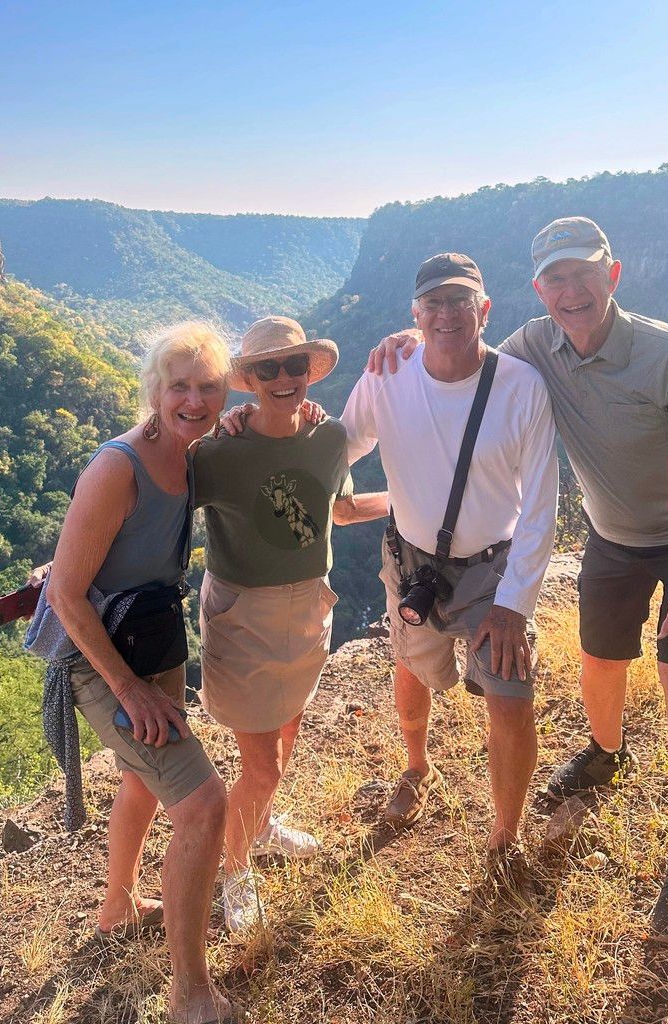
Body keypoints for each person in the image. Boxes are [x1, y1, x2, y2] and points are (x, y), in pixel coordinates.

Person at [371, 218, 668, 945]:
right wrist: (406, 342)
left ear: (612, 275)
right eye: (554, 278)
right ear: (538, 289)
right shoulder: (533, 348)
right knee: (600, 660)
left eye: (583, 274)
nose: (569, 290)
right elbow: (460, 349)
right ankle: (604, 755)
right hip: (612, 537)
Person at [341, 253, 559, 888]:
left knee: (512, 696)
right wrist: (268, 426)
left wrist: (515, 604)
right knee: (411, 662)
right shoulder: (389, 374)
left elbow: (542, 506)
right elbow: (340, 444)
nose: (446, 315)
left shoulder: (522, 388)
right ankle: (417, 767)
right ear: (415, 315)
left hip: (495, 568)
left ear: (484, 311)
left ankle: (505, 836)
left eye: (460, 302)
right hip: (412, 562)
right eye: (432, 304)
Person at [45, 322, 238, 1024]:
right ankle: (190, 992)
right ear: (153, 390)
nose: (192, 399)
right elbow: (66, 594)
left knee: (141, 778)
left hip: (153, 634)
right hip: (104, 659)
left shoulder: (192, 453)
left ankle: (117, 906)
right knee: (203, 803)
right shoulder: (117, 467)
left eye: (208, 387)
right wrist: (127, 691)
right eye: (178, 386)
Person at [192, 316, 387, 933]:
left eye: (294, 366)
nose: (284, 379)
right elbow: (156, 497)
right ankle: (234, 869)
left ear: (309, 371)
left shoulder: (328, 439)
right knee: (263, 765)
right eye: (268, 369)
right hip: (243, 615)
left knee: (288, 737)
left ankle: (262, 822)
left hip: (307, 607)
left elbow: (343, 509)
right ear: (248, 381)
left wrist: (423, 499)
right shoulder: (217, 453)